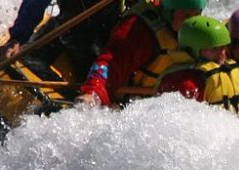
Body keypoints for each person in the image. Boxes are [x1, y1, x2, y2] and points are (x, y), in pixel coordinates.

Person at [77, 0, 207, 107]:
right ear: (169, 12)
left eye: (197, 14)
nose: (192, 23)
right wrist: (93, 93)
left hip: (182, 105)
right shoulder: (139, 30)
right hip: (137, 109)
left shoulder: (201, 28)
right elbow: (110, 63)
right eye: (186, 16)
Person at [0, 0, 128, 80]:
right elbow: (36, 2)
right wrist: (17, 38)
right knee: (23, 60)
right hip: (66, 28)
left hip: (103, 38)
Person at [158, 16, 239, 118]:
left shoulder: (231, 70)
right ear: (192, 51)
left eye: (223, 48)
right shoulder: (185, 82)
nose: (222, 54)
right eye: (214, 49)